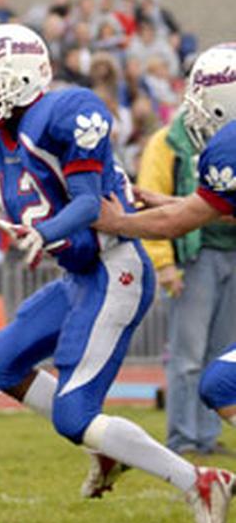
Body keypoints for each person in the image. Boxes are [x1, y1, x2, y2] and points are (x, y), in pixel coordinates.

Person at [0, 23, 235, 523]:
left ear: (22, 77)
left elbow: (87, 204)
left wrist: (49, 231)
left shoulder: (65, 115)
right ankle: (104, 448)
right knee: (1, 363)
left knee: (73, 415)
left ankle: (201, 482)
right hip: (79, 277)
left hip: (115, 268)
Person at [95, 44, 236, 456]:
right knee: (216, 377)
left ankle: (196, 439)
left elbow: (179, 224)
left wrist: (115, 221)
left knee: (217, 378)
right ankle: (188, 438)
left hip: (207, 255)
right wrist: (172, 203)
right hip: (203, 254)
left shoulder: (229, 146)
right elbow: (216, 213)